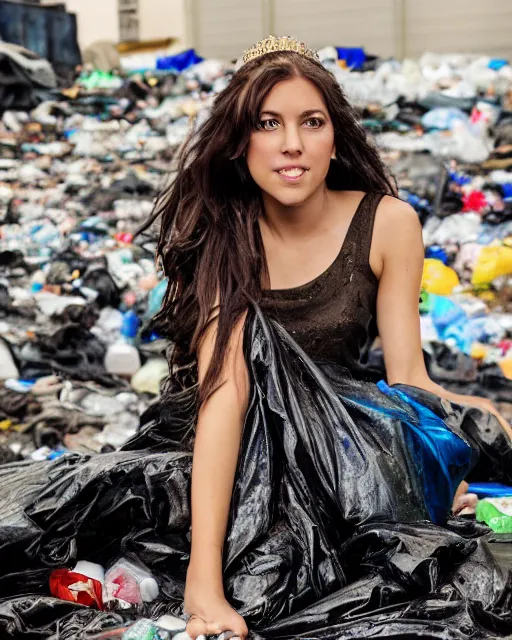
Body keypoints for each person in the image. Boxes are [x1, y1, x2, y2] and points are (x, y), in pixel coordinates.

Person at [2, 36, 512, 640]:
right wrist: (203, 585)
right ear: (241, 140)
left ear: (334, 135)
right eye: (268, 123)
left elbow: (408, 380)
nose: (291, 144)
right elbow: (228, 393)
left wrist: (431, 469)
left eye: (311, 122)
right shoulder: (225, 233)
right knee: (77, 521)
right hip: (227, 447)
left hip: (337, 449)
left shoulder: (388, 223)